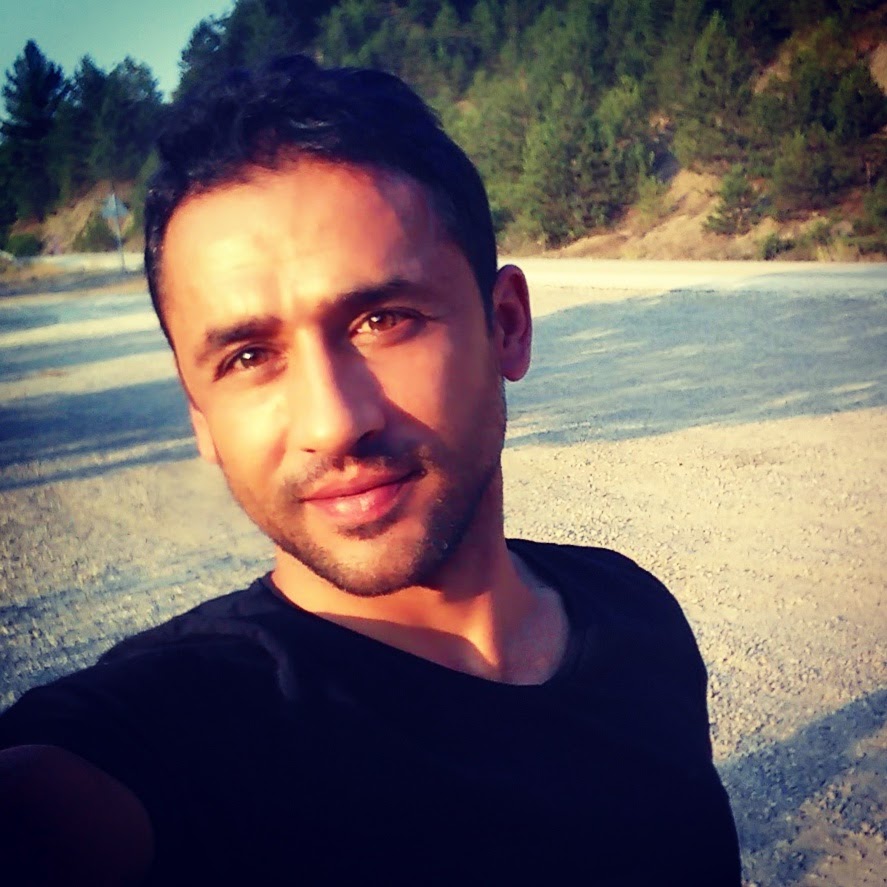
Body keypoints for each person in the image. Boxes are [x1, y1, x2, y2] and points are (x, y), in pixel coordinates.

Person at [0, 56, 740, 885]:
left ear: (505, 325)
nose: (333, 422)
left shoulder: (634, 609)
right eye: (248, 357)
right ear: (200, 414)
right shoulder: (167, 734)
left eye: (382, 319)